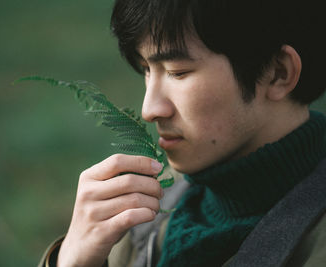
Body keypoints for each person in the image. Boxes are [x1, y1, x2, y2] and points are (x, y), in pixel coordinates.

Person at [40, 0, 326, 266]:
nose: (149, 109)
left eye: (178, 72)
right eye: (146, 70)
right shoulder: (151, 206)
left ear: (277, 72)